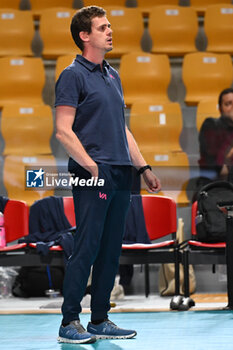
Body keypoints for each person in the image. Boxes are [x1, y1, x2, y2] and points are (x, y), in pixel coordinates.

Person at [55, 6, 161, 345]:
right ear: (85, 36)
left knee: (111, 249)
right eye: (102, 27)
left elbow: (122, 128)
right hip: (94, 172)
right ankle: (70, 320)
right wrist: (91, 166)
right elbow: (62, 131)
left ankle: (99, 318)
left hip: (121, 173)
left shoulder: (112, 75)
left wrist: (142, 167)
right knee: (87, 246)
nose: (110, 31)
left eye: (109, 26)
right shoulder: (72, 74)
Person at [192, 88, 233, 198]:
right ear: (220, 109)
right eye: (228, 104)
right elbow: (213, 167)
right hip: (213, 187)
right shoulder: (211, 125)